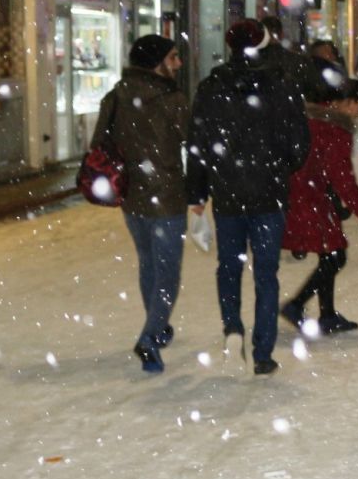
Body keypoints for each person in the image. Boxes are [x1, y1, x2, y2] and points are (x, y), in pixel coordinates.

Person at [186, 19, 311, 375]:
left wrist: (197, 194)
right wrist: (281, 164)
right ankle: (263, 352)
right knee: (266, 274)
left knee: (229, 266)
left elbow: (197, 144)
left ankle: (233, 328)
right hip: (269, 192)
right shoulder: (281, 85)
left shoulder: (212, 87)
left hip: (228, 192)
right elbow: (299, 142)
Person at [93, 35, 190, 375]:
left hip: (132, 196)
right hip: (166, 196)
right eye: (174, 57)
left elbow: (99, 144)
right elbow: (191, 141)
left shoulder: (117, 94)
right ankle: (150, 335)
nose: (178, 64)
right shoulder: (172, 98)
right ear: (157, 62)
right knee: (167, 272)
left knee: (149, 264)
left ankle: (159, 327)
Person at [280, 77, 358, 335]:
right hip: (310, 197)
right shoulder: (334, 129)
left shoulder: (307, 118)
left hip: (293, 193)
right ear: (344, 103)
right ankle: (297, 305)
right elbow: (344, 180)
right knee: (335, 255)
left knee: (330, 253)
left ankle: (326, 314)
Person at [258, 14, 319, 101]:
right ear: (282, 34)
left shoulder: (253, 60)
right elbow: (314, 89)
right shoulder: (298, 60)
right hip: (292, 109)